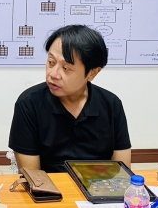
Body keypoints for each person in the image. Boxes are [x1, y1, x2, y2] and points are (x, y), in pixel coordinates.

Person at [8, 24, 131, 173]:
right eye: (51, 62)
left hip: (98, 184)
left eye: (66, 68)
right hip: (49, 185)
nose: (53, 74)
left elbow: (123, 172)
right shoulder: (29, 103)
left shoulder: (111, 104)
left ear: (92, 73)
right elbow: (33, 176)